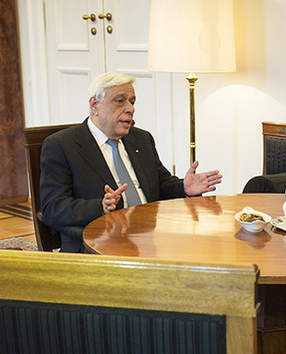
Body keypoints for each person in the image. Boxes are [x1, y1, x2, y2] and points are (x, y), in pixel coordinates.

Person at [40, 72, 222, 253]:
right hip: (99, 244)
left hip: (151, 238)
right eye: (120, 101)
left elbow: (161, 184)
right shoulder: (62, 145)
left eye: (132, 102)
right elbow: (52, 208)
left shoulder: (141, 139)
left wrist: (184, 187)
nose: (130, 109)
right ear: (95, 105)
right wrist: (100, 207)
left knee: (206, 251)